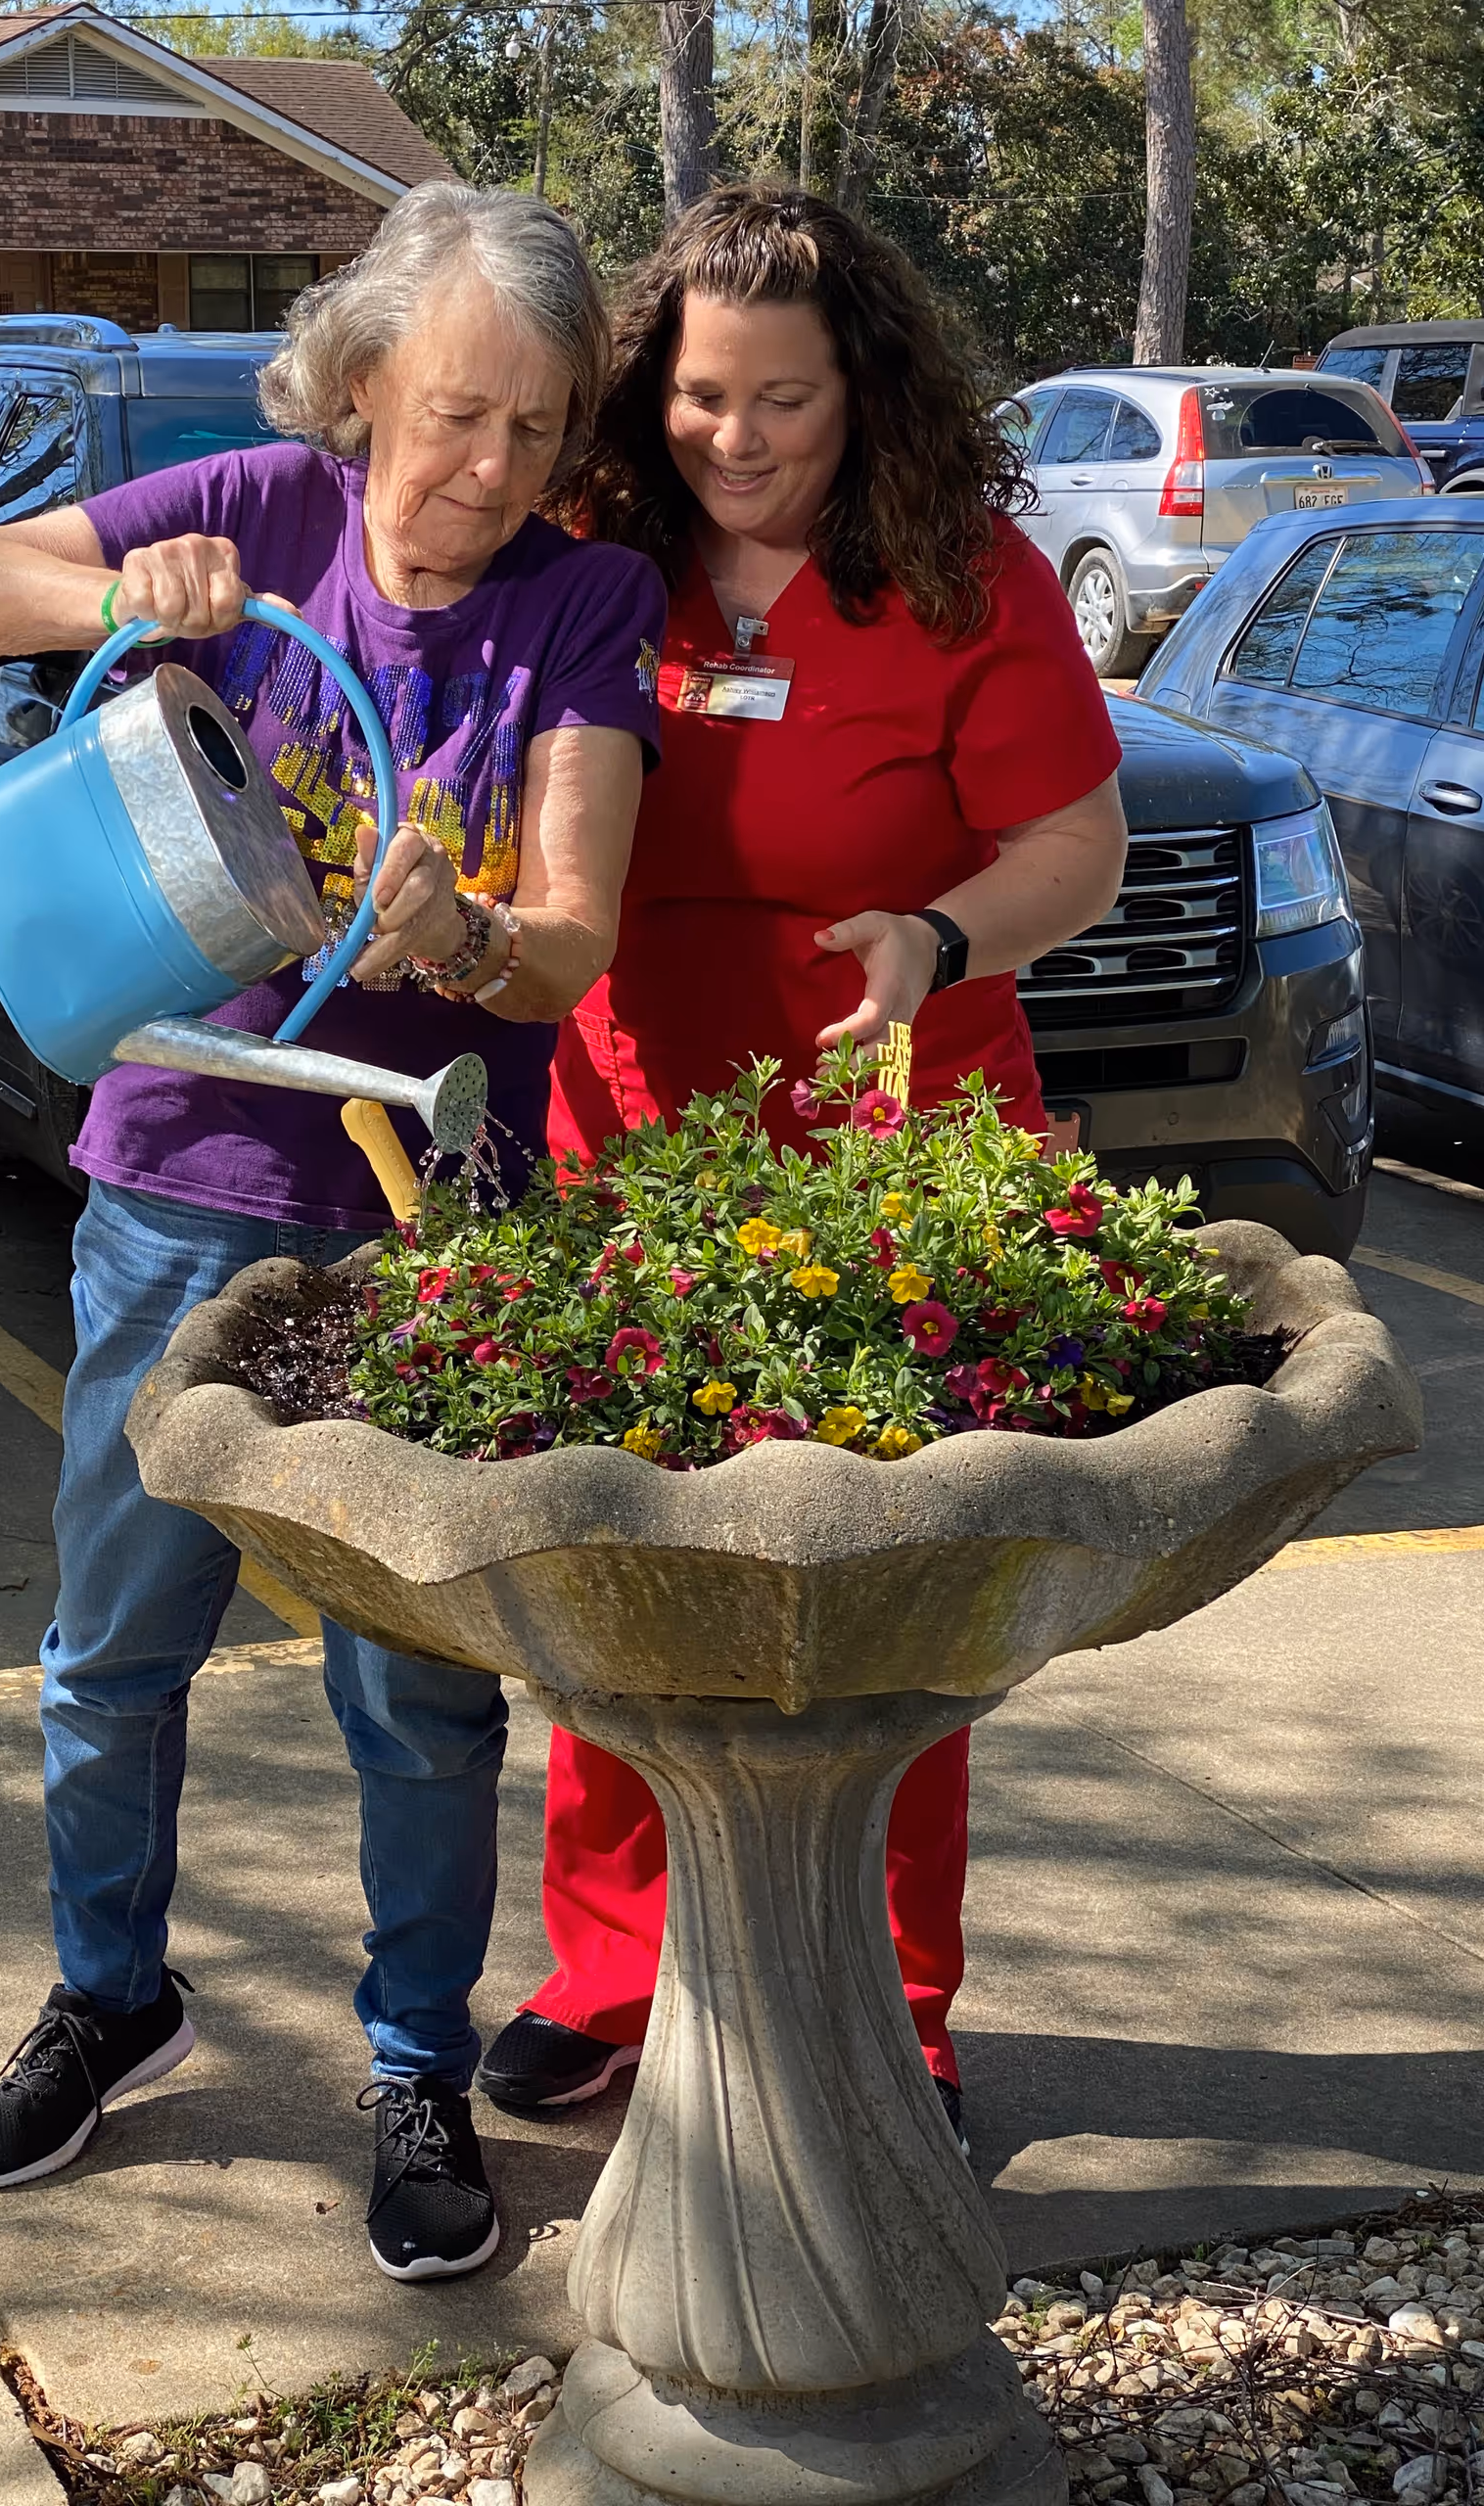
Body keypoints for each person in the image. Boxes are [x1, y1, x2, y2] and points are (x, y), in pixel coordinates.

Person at [0, 183, 665, 2282]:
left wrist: (473, 931)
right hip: (177, 1188)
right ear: (361, 390)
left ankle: (414, 2058)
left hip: (427, 1220)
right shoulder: (263, 512)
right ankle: (107, 1992)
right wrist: (121, 582)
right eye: (451, 414)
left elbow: (573, 931)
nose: (486, 469)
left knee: (417, 1684)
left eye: (534, 424)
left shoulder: (576, 612)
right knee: (113, 1648)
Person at [474, 185, 1129, 2151]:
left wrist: (937, 932)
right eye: (699, 398)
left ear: (868, 390)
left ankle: (892, 1994)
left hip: (903, 1158)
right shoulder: (593, 560)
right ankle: (606, 1966)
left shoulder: (964, 573)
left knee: (885, 1600)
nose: (737, 439)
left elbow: (1074, 853)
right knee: (629, 1566)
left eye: (784, 399)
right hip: (635, 1147)